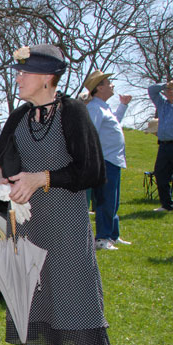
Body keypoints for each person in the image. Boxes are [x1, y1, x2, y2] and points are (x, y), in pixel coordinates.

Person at [0, 44, 111, 345]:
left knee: (74, 288)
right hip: (29, 221)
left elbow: (92, 170)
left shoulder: (72, 112)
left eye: (25, 73)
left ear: (46, 78)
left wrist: (41, 178)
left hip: (66, 218)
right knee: (42, 289)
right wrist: (0, 179)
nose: (18, 78)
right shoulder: (20, 116)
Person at [84, 70, 132, 250]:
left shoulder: (104, 107)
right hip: (104, 160)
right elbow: (91, 133)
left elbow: (115, 124)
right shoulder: (95, 108)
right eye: (108, 82)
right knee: (105, 199)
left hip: (113, 160)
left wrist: (124, 106)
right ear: (99, 87)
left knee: (113, 200)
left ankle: (112, 235)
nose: (112, 85)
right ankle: (102, 238)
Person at [148, 80, 173, 212]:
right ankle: (167, 205)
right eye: (167, 90)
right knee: (161, 173)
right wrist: (165, 84)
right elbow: (151, 90)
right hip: (164, 145)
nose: (169, 92)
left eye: (171, 89)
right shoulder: (162, 104)